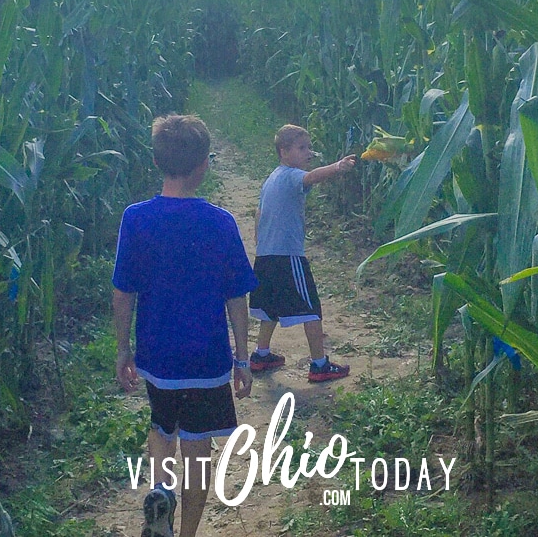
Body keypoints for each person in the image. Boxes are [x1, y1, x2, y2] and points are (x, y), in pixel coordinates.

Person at [112, 114, 256, 537]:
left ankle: (160, 490)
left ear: (157, 162)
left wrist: (124, 349)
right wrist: (243, 358)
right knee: (197, 451)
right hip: (207, 361)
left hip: (157, 358)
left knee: (161, 425)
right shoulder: (220, 223)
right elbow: (237, 297)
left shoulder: (136, 219)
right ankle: (186, 533)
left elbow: (124, 292)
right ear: (203, 166)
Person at [249, 124, 356, 382]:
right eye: (302, 148)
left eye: (309, 147)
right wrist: (337, 167)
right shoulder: (290, 175)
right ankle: (319, 365)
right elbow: (311, 178)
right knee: (311, 309)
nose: (308, 153)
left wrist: (260, 243)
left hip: (266, 256)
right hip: (288, 255)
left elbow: (258, 214)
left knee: (270, 308)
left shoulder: (271, 179)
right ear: (284, 152)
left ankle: (261, 355)